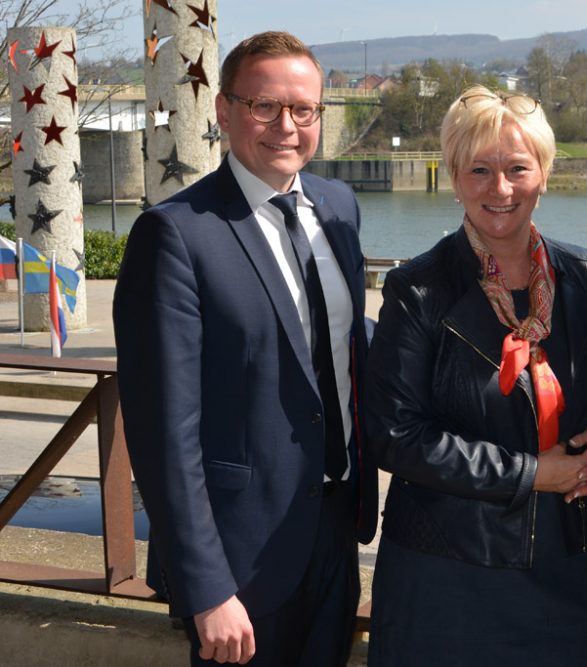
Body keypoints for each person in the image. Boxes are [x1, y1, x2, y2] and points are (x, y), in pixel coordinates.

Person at [113, 31, 377, 666]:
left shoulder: (338, 207)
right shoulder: (175, 234)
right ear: (225, 112)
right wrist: (208, 588)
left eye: (303, 109)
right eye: (264, 106)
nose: (286, 126)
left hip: (335, 528)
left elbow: (344, 345)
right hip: (239, 561)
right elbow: (163, 434)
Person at [363, 85, 587, 665]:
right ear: (453, 177)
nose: (500, 189)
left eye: (517, 168)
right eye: (479, 169)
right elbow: (394, 435)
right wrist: (535, 474)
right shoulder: (417, 291)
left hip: (567, 565)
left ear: (545, 173)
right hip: (446, 571)